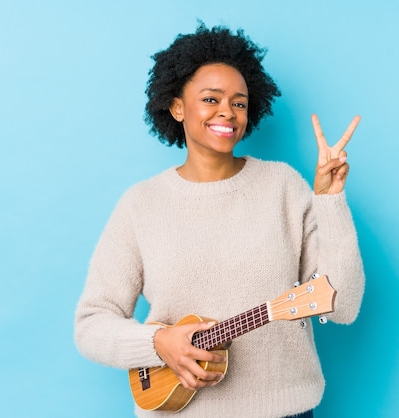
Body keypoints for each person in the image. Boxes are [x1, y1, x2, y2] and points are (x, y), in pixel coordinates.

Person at [74, 24, 365, 418]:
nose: (227, 111)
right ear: (177, 106)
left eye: (239, 102)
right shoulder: (141, 205)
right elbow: (91, 325)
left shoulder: (282, 186)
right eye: (210, 98)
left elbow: (342, 306)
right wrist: (159, 343)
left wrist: (330, 201)